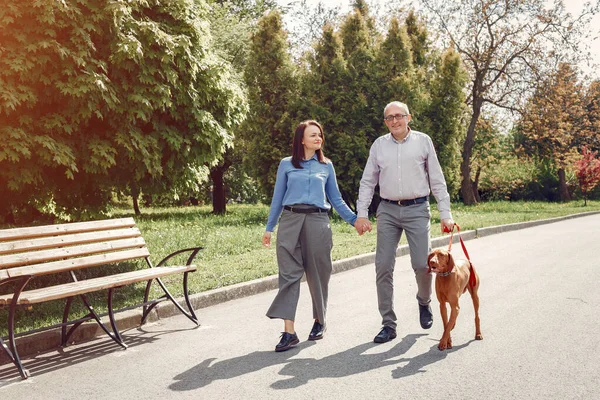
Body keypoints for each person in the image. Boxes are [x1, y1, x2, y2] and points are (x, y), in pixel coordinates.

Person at [354, 101, 455, 344]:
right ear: (385, 121)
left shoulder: (423, 141)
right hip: (387, 210)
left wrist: (446, 213)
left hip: (417, 208)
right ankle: (388, 324)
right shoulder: (379, 145)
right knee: (383, 266)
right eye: (389, 117)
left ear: (408, 118)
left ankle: (424, 301)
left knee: (423, 264)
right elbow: (368, 181)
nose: (394, 120)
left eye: (399, 116)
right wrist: (362, 213)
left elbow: (437, 179)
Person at [262, 120, 358, 352]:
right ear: (301, 140)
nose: (318, 139)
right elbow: (277, 198)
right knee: (289, 275)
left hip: (317, 221)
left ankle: (320, 320)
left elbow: (335, 199)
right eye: (313, 135)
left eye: (320, 135)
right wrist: (269, 227)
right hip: (290, 221)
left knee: (318, 274)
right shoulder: (286, 164)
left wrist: (355, 220)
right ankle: (289, 332)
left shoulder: (326, 166)